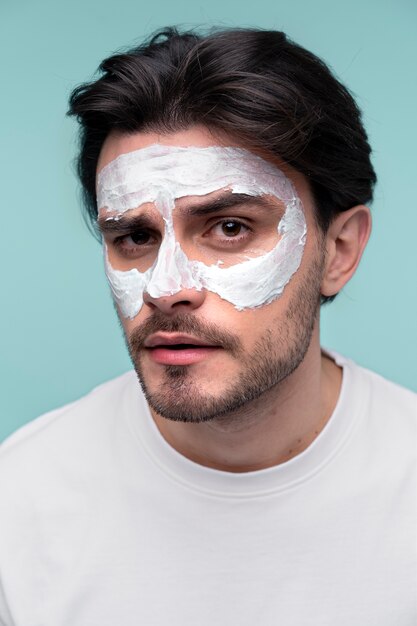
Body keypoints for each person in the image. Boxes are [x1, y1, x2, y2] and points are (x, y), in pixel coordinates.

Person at [0, 27, 415, 626]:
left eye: (229, 228)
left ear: (340, 250)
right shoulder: (20, 503)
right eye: (135, 237)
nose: (166, 288)